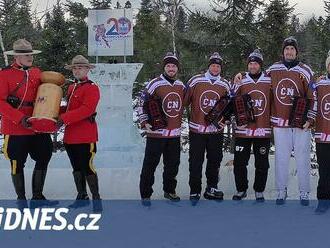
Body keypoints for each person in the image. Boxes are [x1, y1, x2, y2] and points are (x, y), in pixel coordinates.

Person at [235, 37, 317, 205]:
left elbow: (313, 96)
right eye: (286, 49)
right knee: (281, 157)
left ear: (296, 52)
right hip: (280, 122)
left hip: (300, 122)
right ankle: (281, 190)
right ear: (283, 52)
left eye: (292, 49)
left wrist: (310, 118)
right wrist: (241, 74)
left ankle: (304, 192)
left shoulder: (306, 70)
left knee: (302, 157)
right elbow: (255, 75)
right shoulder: (274, 69)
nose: (289, 52)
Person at [0, 39, 57, 208]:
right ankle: (21, 199)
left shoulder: (37, 73)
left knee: (44, 155)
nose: (29, 57)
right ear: (16, 57)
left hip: (37, 124)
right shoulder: (4, 74)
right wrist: (19, 118)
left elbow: (45, 96)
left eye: (31, 54)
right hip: (15, 126)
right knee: (17, 161)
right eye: (26, 54)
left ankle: (38, 196)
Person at [137, 52, 185, 206]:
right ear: (164, 67)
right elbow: (140, 102)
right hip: (156, 133)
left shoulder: (180, 86)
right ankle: (145, 194)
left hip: (174, 134)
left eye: (174, 66)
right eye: (168, 66)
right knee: (150, 164)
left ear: (177, 69)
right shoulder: (155, 83)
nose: (171, 68)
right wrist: (145, 122)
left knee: (172, 165)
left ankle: (169, 190)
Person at [184, 52, 230, 205]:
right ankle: (195, 190)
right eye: (213, 65)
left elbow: (229, 107)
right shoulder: (196, 80)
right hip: (197, 130)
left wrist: (226, 119)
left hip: (215, 131)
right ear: (209, 66)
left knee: (214, 160)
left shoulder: (224, 84)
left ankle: (212, 187)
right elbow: (183, 100)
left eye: (218, 66)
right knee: (196, 161)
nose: (215, 68)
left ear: (220, 68)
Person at [58, 55, 102, 212]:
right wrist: (52, 110)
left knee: (87, 166)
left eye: (80, 68)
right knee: (76, 167)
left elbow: (86, 110)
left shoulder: (92, 88)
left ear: (87, 69)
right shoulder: (71, 88)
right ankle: (82, 196)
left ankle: (97, 199)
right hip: (70, 136)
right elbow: (70, 108)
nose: (77, 71)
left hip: (85, 135)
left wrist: (63, 118)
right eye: (75, 68)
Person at [232, 50, 272, 202]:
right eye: (250, 63)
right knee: (240, 162)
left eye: (256, 63)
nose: (253, 66)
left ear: (260, 65)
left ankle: (259, 190)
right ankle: (241, 189)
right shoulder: (240, 80)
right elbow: (232, 99)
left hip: (263, 129)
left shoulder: (269, 80)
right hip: (243, 130)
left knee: (262, 163)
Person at [314, 50, 330, 214]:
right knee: (324, 171)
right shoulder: (319, 84)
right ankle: (323, 202)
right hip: (323, 136)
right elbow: (311, 102)